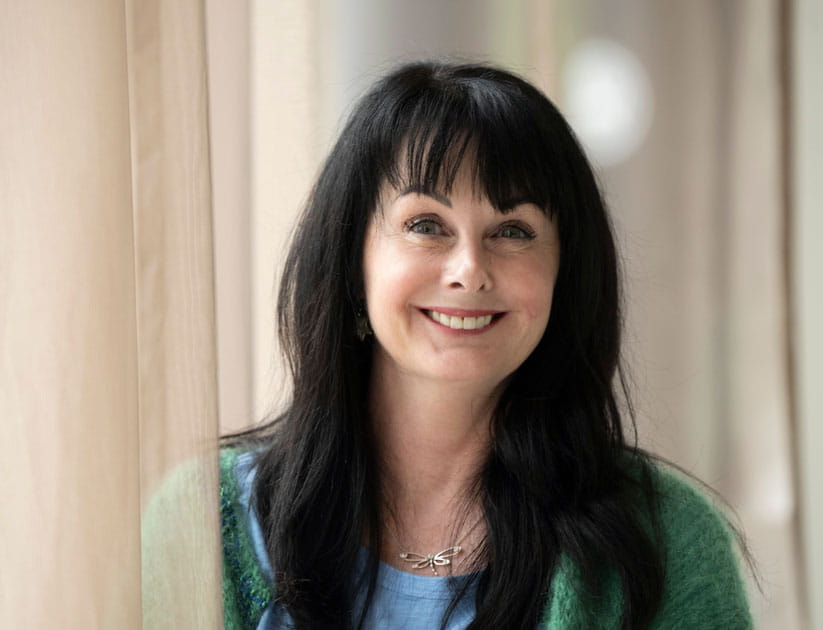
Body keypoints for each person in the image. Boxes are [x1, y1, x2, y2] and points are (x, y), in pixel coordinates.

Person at [220, 61, 753, 629]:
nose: (470, 271)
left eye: (513, 230)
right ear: (353, 262)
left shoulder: (670, 544)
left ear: (564, 278)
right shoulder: (205, 527)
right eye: (426, 224)